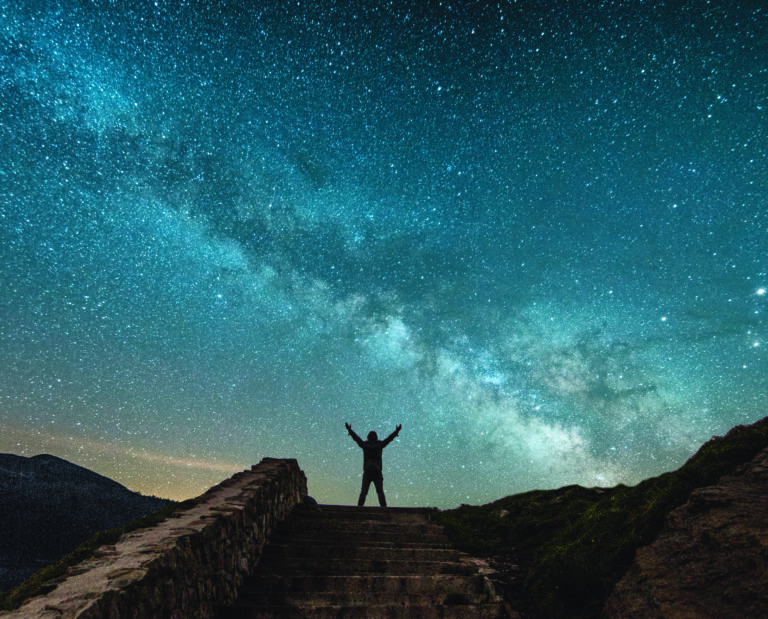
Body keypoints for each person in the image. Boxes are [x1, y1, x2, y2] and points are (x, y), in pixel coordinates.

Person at [345, 422, 401, 507]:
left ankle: (359, 508)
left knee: (364, 491)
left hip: (367, 472)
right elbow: (389, 439)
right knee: (380, 491)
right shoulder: (379, 445)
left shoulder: (365, 445)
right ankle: (384, 509)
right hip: (377, 472)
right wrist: (396, 431)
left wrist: (349, 430)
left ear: (368, 437)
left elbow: (356, 438)